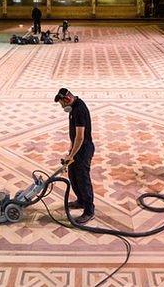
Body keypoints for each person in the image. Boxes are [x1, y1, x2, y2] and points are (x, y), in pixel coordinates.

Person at [55, 87, 94, 225]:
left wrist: (72, 155)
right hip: (76, 149)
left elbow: (80, 137)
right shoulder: (73, 108)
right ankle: (81, 201)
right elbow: (73, 136)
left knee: (83, 180)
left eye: (62, 104)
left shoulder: (79, 110)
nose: (62, 107)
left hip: (83, 151)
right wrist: (69, 152)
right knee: (73, 176)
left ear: (68, 99)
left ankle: (89, 210)